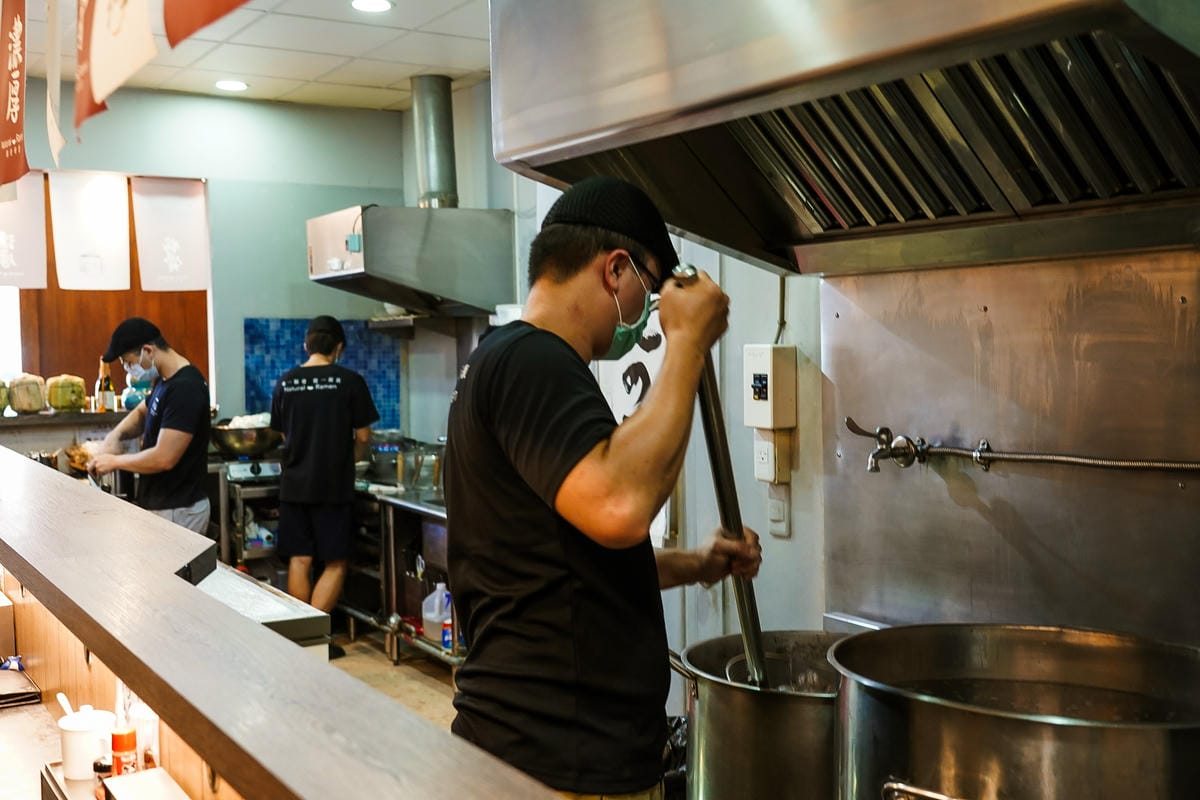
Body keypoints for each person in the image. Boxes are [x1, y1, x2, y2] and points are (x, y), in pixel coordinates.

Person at [445, 176, 763, 799]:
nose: (649, 310)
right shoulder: (532, 360)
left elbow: (560, 561)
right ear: (616, 270)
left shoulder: (511, 361)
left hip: (548, 750)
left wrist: (693, 564)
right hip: (556, 758)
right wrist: (688, 344)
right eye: (650, 287)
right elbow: (620, 507)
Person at [269, 315, 378, 626]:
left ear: (307, 345)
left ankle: (302, 635)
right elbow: (364, 436)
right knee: (335, 561)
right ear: (339, 347)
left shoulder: (286, 382)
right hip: (334, 485)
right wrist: (352, 457)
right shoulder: (350, 381)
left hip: (295, 484)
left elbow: (283, 435)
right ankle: (317, 633)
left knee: (300, 559)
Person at [89, 318, 212, 535]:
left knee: (170, 571)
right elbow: (142, 413)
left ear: (148, 350)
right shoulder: (165, 381)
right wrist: (114, 437)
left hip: (179, 509)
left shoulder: (186, 388)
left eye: (128, 363)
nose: (129, 370)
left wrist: (115, 461)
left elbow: (164, 457)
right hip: (164, 506)